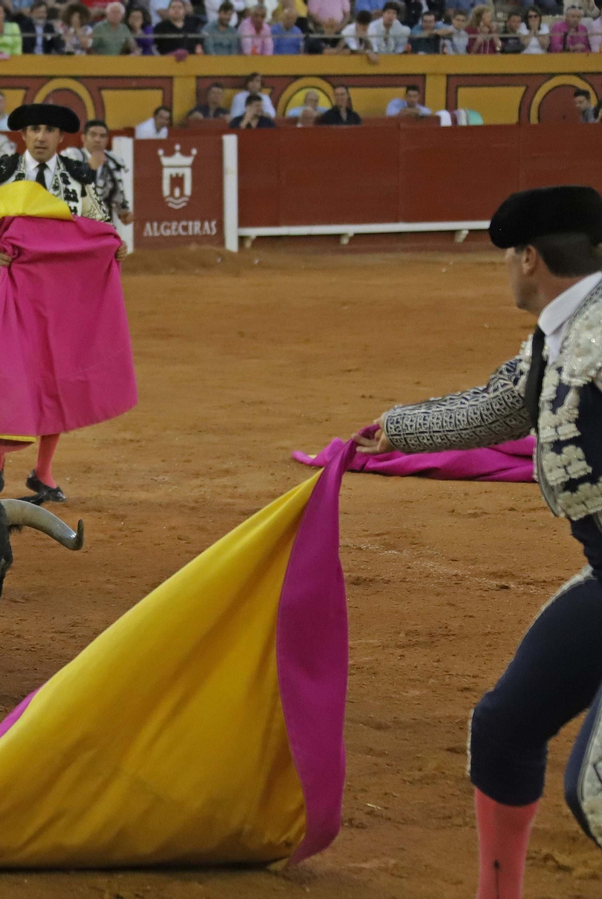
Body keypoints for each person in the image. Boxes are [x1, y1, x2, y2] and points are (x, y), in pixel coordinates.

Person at [354, 186, 602, 899]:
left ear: (529, 259)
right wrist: (396, 430)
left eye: (506, 260)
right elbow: (500, 405)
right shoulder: (562, 330)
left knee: (597, 790)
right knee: (505, 727)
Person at [0, 102, 131, 505]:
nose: (42, 136)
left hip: (58, 296)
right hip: (6, 290)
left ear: (61, 138)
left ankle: (42, 471)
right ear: (23, 136)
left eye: (49, 130)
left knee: (52, 374)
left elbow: (100, 225)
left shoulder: (78, 177)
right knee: (5, 371)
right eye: (34, 130)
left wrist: (112, 247)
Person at [63, 118, 131, 226]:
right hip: (76, 222)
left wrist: (123, 212)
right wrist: (90, 167)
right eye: (93, 135)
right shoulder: (71, 156)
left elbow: (117, 193)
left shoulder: (112, 162)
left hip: (102, 224)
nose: (98, 139)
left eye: (102, 136)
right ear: (83, 138)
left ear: (107, 140)